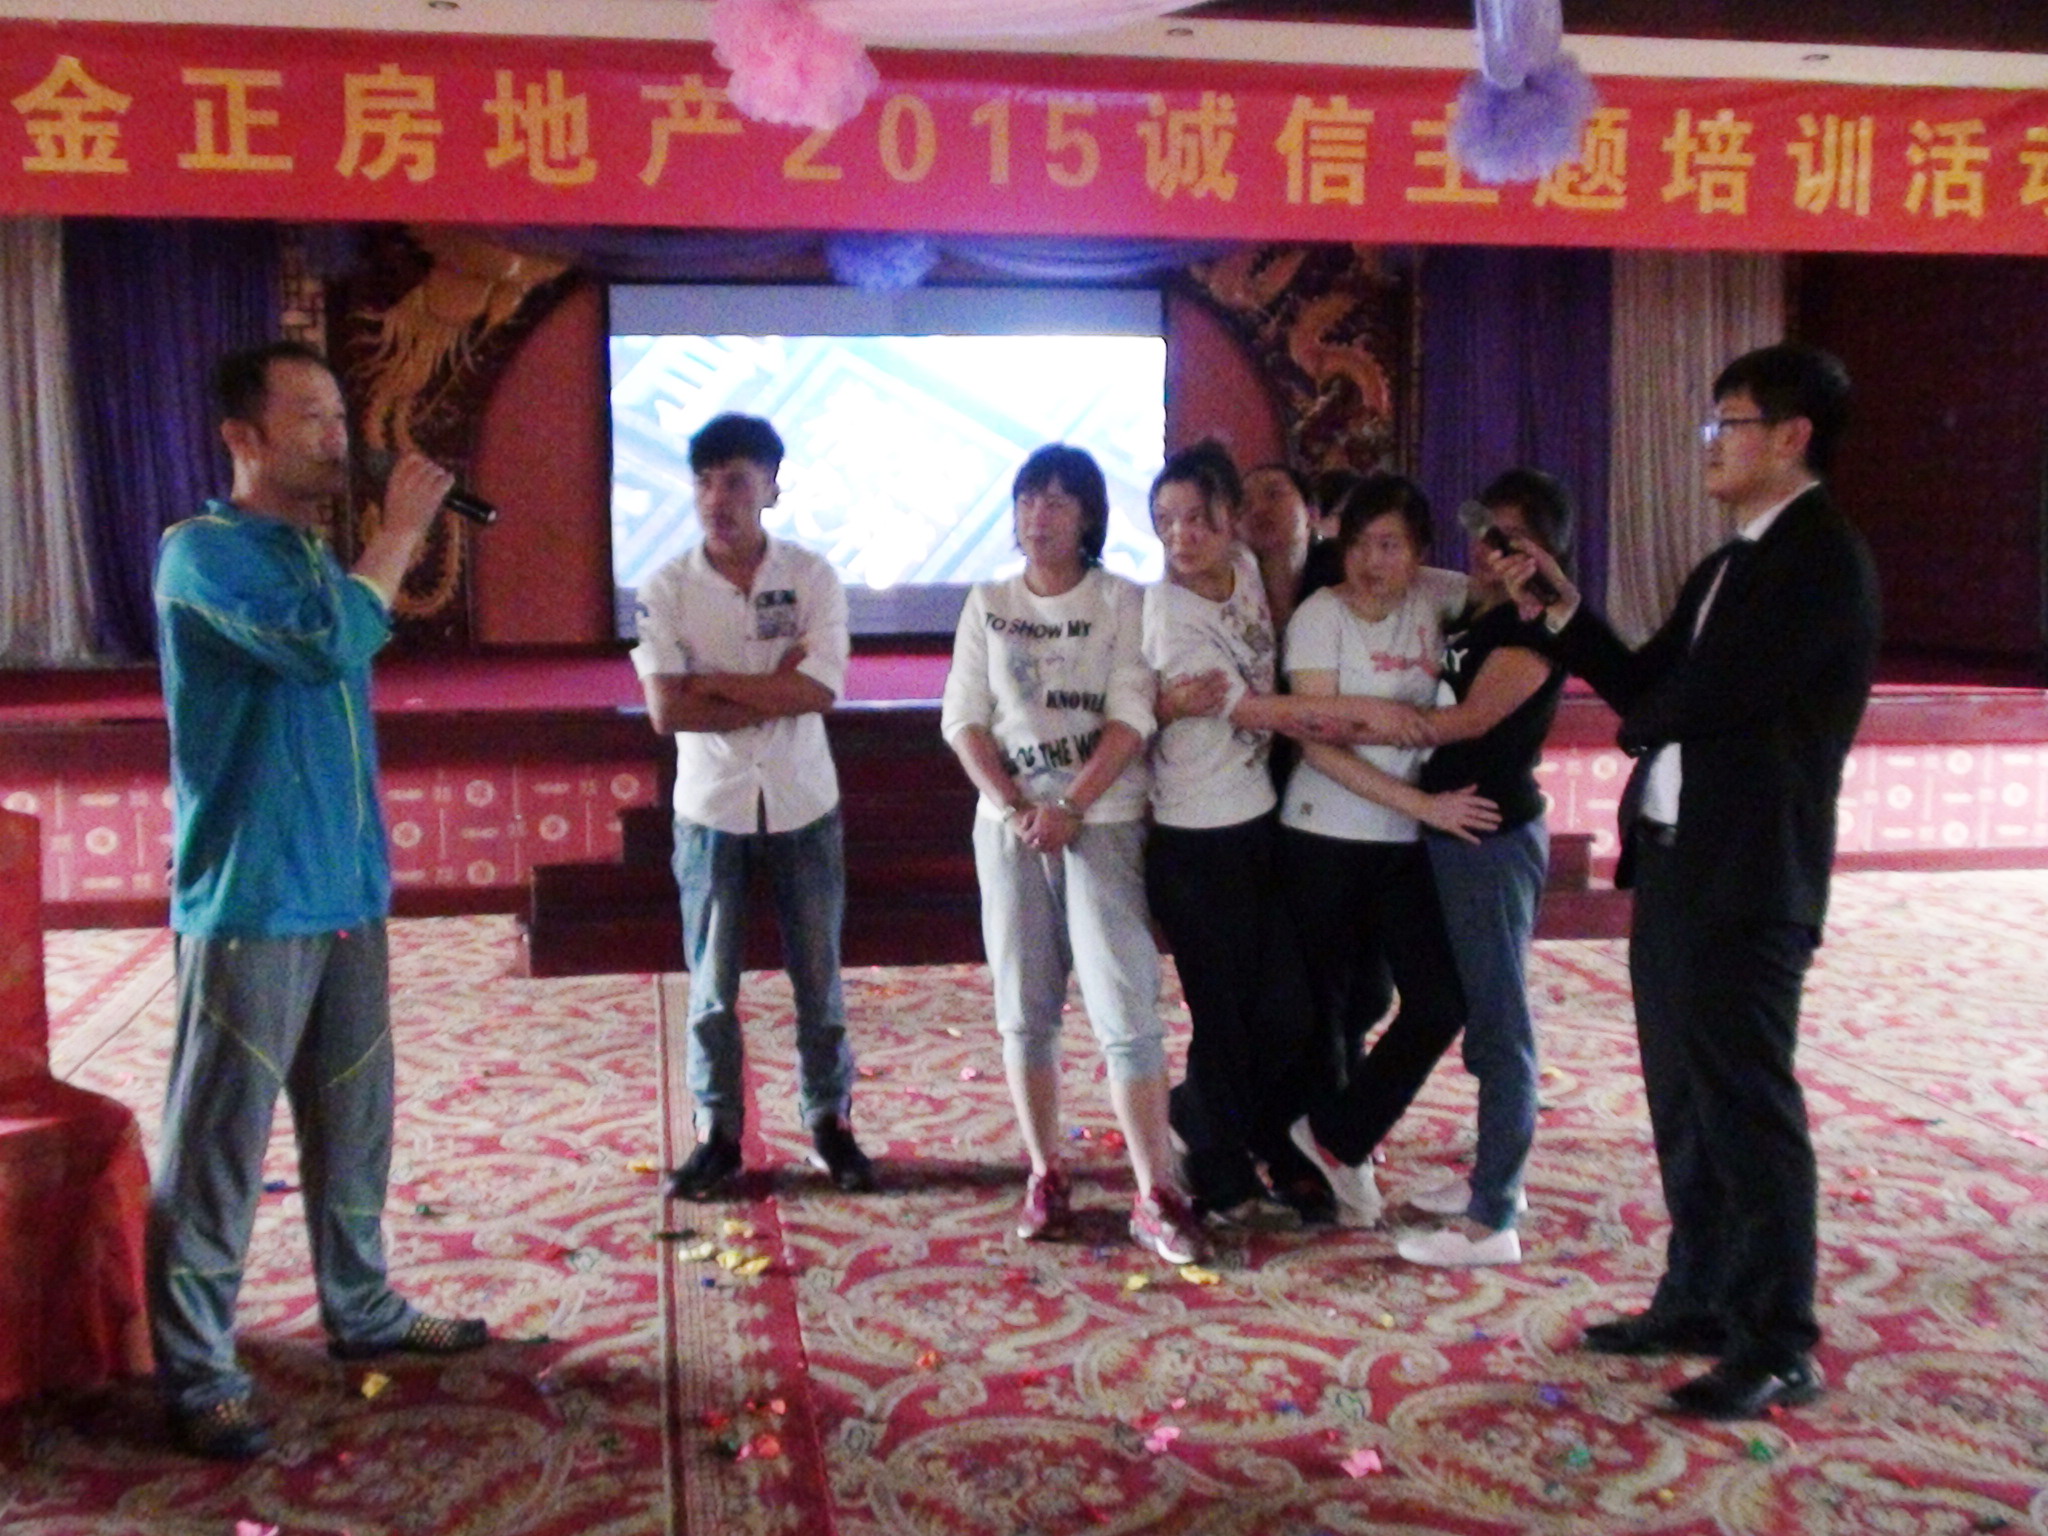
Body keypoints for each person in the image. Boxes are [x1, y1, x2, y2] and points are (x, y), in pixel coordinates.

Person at [1503, 343, 1879, 1419]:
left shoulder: (1820, 560)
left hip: (1751, 876)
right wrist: (1565, 613)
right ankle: (1699, 1297)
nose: (1710, 444)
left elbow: (1708, 699)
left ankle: (1777, 1340)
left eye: (1729, 424)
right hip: (1677, 866)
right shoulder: (1725, 567)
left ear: (1791, 436)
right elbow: (1644, 682)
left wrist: (1646, 719)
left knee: (1747, 1106)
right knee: (1684, 1098)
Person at [149, 341, 488, 1462]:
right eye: (310, 417)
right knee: (220, 1142)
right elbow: (326, 645)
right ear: (241, 438)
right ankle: (199, 1373)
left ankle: (364, 1305)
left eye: (342, 415)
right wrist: (398, 535)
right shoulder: (201, 555)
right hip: (252, 898)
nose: (339, 437)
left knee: (355, 1121)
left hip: (345, 888)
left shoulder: (307, 555)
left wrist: (375, 548)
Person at [1142, 444, 1427, 1224]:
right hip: (1196, 840)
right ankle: (1217, 1165)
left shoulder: (1245, 571)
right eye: (1166, 521)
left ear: (1229, 520)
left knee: (1287, 1010)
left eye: (1199, 518)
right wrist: (1367, 718)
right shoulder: (1169, 611)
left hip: (1257, 825)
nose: (1182, 535)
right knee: (1228, 1013)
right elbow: (1256, 710)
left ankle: (1201, 1117)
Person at [941, 443, 1206, 1266]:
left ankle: (1155, 1191)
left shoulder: (1122, 601)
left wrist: (1071, 807)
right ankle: (1045, 1171)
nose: (1040, 515)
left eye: (1059, 501)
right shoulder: (989, 603)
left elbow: (1132, 716)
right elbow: (965, 720)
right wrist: (1017, 808)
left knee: (1126, 1012)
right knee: (1025, 1010)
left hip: (1104, 822)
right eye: (1029, 499)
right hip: (1011, 829)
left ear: (1089, 515)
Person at [632, 413, 875, 1202]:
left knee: (819, 979)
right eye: (704, 482)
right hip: (711, 810)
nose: (716, 499)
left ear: (771, 488)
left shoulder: (812, 577)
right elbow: (668, 711)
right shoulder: (666, 587)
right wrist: (773, 685)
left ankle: (830, 1121)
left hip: (804, 803)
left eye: (735, 482)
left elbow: (819, 691)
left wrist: (712, 683)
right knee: (710, 989)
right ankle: (718, 1133)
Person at [1276, 474, 1497, 1226]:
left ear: (1420, 551)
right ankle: (1331, 1171)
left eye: (1391, 545)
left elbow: (1493, 586)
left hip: (1401, 845)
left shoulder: (1435, 597)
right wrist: (1423, 805)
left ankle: (1339, 1138)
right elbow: (1317, 744)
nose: (1373, 561)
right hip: (1323, 835)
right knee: (1328, 1014)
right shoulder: (1320, 616)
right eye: (1360, 544)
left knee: (1437, 1001)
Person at [1391, 469, 1573, 1269]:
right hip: (1457, 830)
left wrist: (1339, 718)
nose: (1487, 548)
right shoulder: (1481, 609)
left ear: (1542, 550)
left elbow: (1464, 722)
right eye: (1485, 531)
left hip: (1488, 837)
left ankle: (1493, 1218)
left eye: (1509, 537)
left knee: (1501, 1026)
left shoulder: (1533, 634)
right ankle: (1495, 1180)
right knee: (1477, 1010)